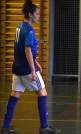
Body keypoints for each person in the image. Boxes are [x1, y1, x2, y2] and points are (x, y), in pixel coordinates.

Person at [1, 0, 61, 134]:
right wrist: (33, 69)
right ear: (30, 14)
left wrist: (36, 60)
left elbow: (21, 48)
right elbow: (27, 50)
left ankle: (6, 127)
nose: (38, 16)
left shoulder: (19, 26)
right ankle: (44, 127)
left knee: (15, 95)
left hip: (17, 68)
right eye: (37, 13)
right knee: (42, 92)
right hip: (27, 69)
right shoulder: (29, 30)